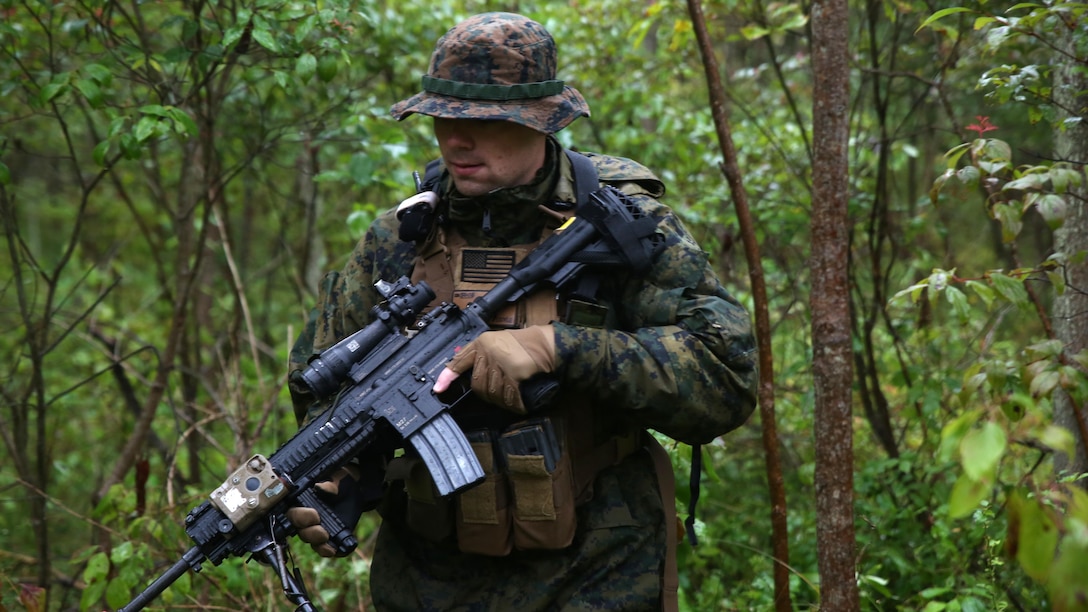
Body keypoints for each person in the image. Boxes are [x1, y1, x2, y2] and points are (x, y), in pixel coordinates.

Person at [285, 11, 757, 611]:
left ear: (541, 121)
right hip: (429, 579)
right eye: (444, 119)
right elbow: (327, 388)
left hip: (597, 572)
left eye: (481, 122)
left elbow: (725, 378)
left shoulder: (618, 224)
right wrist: (345, 479)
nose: (456, 141)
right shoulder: (401, 237)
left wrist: (559, 348)